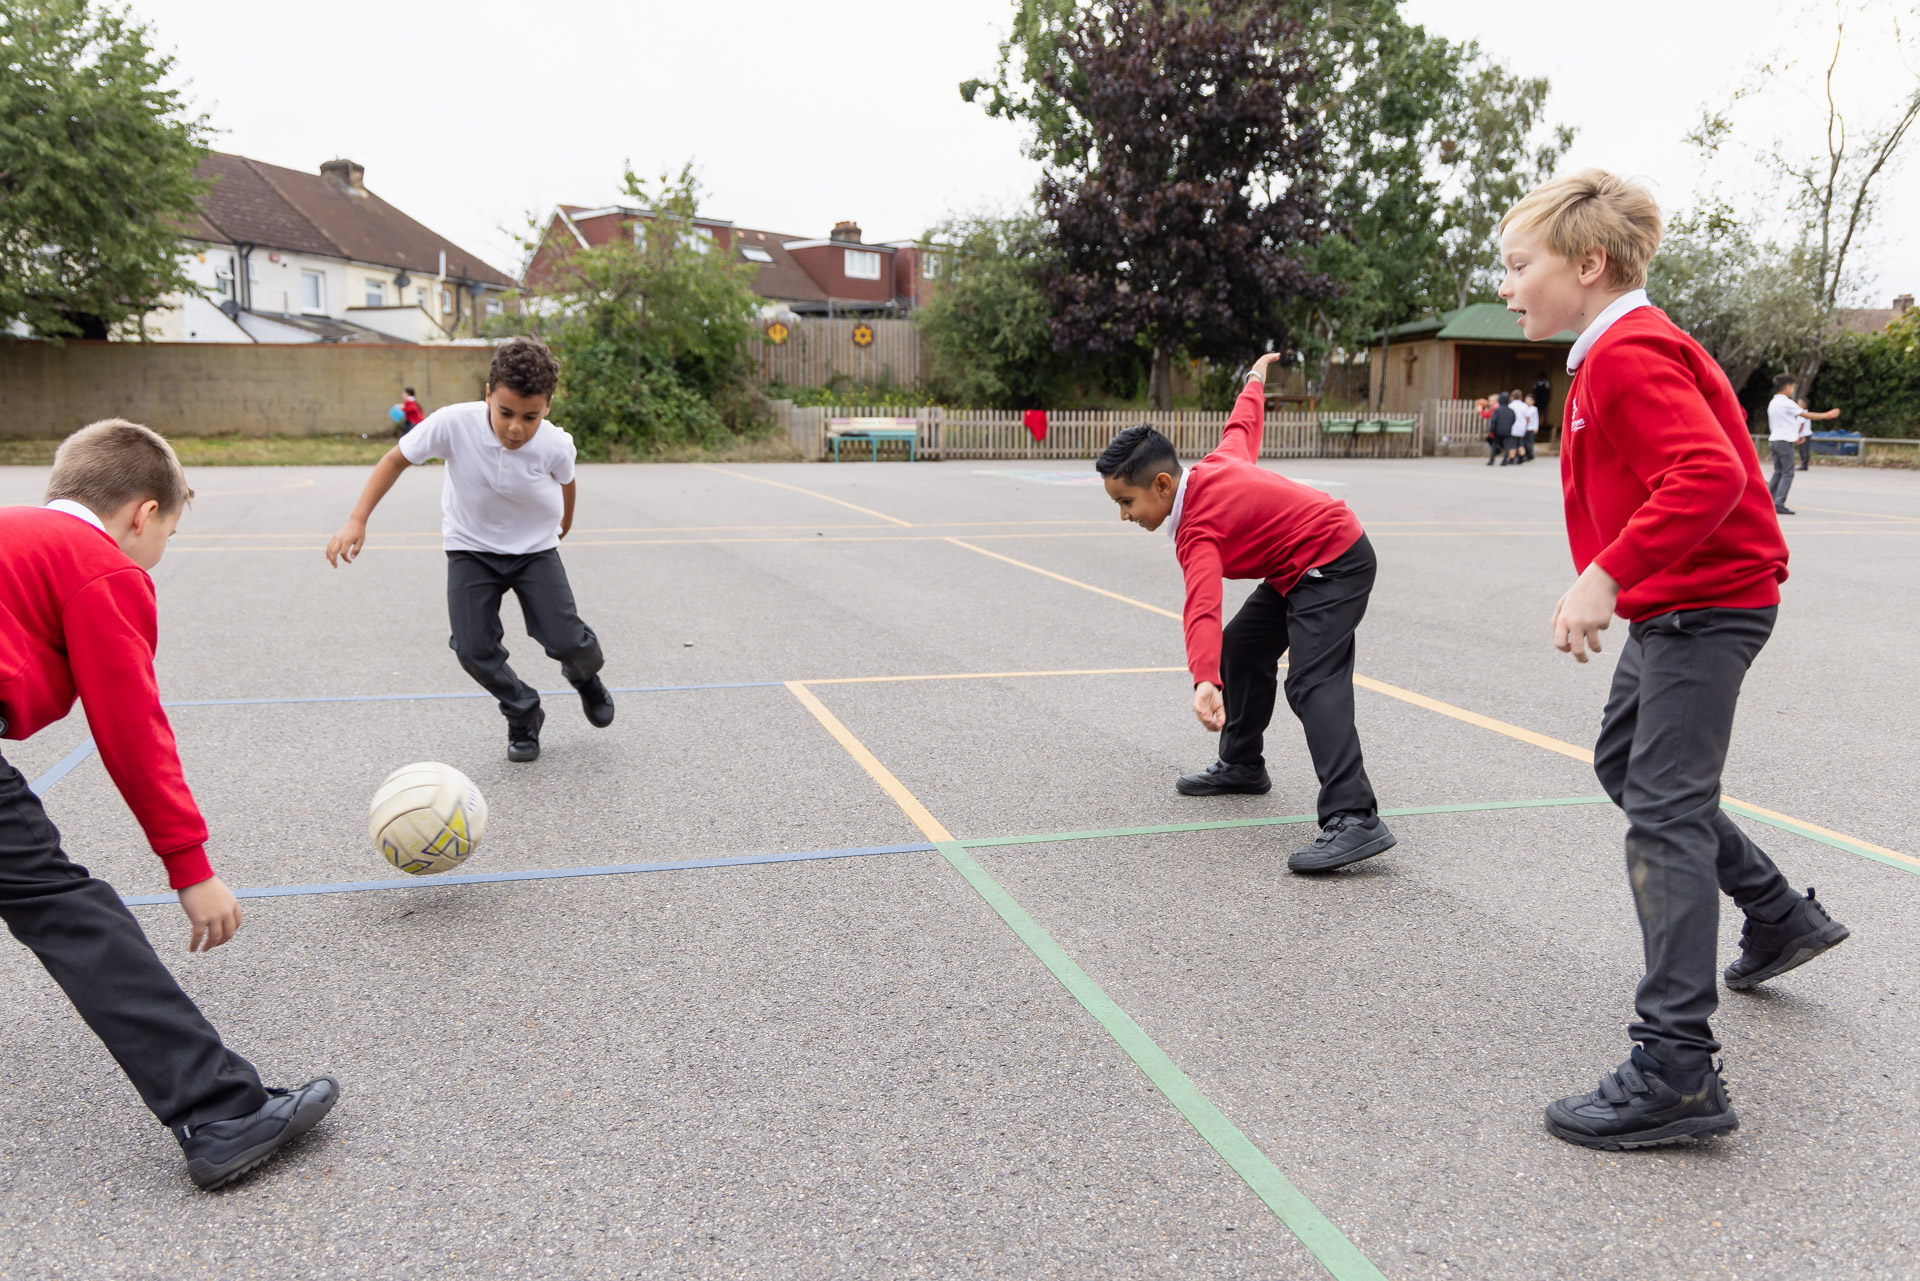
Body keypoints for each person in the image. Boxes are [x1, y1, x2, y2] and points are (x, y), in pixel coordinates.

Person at [1499, 169, 1848, 1150]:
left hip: (1705, 606)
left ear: (1588, 263)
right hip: (1677, 607)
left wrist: (1604, 576)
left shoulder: (1627, 351)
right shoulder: (1619, 346)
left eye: (1519, 266)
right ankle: (1778, 916)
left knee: (1664, 810)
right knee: (1630, 771)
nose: (1509, 285)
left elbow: (1706, 473)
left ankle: (1676, 1069)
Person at [0, 420, 338, 1190]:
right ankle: (220, 1109)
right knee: (67, 907)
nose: (158, 552)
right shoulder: (96, 562)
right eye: (169, 533)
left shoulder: (16, 536)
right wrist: (189, 864)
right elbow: (130, 727)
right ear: (143, 514)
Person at [1095, 352, 1396, 874]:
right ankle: (1242, 764)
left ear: (1162, 486)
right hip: (1296, 568)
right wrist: (1254, 378)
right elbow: (1243, 425)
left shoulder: (1197, 530)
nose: (1124, 515)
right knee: (1245, 645)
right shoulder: (1217, 462)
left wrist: (1204, 681)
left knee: (1311, 681)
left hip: (1334, 561)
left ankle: (1354, 817)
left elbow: (1202, 608)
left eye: (1127, 502)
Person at [326, 337, 614, 763]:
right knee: (472, 648)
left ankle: (585, 675)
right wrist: (357, 518)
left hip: (533, 549)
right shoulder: (452, 423)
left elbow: (566, 481)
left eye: (530, 417)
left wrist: (566, 521)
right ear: (487, 395)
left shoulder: (554, 443)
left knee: (565, 638)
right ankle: (523, 712)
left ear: (548, 406)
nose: (516, 428)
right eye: (505, 413)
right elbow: (394, 460)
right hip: (471, 548)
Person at [1765, 374, 1818, 515]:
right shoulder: (1786, 402)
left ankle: (1768, 500)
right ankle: (1778, 502)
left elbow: (1783, 424)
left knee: (1778, 471)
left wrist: (1795, 437)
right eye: (1793, 387)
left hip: (1775, 439)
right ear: (1787, 386)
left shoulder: (1773, 402)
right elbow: (1805, 415)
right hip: (1783, 441)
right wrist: (1828, 415)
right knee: (1788, 472)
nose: (1793, 390)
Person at [1796, 396, 1840, 471]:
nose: (1797, 404)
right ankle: (1803, 464)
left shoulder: (1803, 413)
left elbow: (1802, 425)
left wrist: (1797, 433)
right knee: (1801, 450)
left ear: (1804, 404)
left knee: (1804, 450)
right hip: (1802, 435)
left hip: (1805, 434)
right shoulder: (1800, 413)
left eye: (1799, 403)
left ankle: (1804, 465)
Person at [1489, 392, 1515, 466]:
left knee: (1494, 445)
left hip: (1497, 431)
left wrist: (1492, 431)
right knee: (1507, 446)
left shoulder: (1497, 410)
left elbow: (1493, 421)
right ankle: (1505, 461)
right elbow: (1513, 420)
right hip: (1507, 431)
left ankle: (1492, 460)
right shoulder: (1511, 411)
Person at [1522, 392, 1541, 461]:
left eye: (1530, 400)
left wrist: (1536, 427)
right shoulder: (1524, 408)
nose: (1528, 401)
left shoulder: (1534, 409)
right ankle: (1526, 454)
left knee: (1529, 442)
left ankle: (1530, 455)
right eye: (1527, 400)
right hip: (1524, 429)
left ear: (1533, 401)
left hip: (1531, 428)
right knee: (1524, 442)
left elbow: (1536, 419)